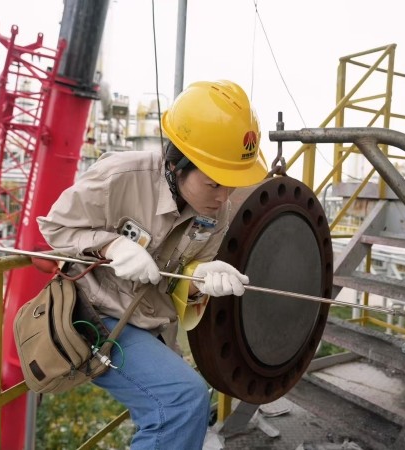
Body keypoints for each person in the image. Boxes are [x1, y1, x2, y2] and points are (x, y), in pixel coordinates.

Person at [37, 80, 268, 449]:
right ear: (177, 165)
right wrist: (111, 246)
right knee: (182, 401)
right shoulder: (120, 177)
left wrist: (200, 279)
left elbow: (183, 275)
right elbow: (55, 227)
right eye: (214, 184)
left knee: (182, 412)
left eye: (231, 186)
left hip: (153, 322)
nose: (224, 198)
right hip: (94, 313)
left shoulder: (216, 211)